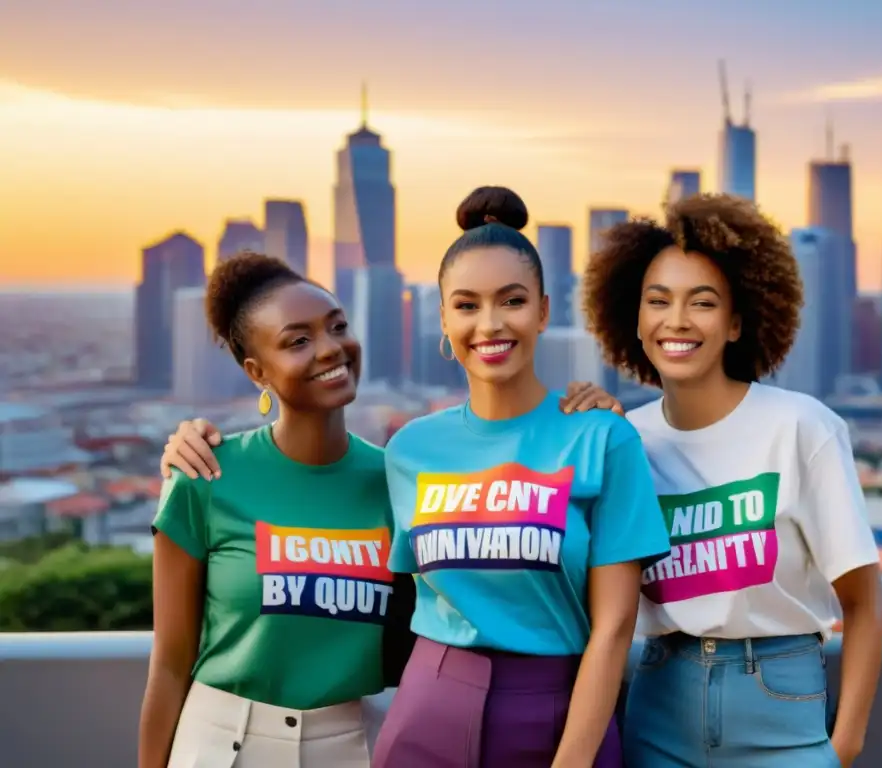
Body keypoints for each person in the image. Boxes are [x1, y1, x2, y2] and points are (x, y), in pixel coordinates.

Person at [159, 186, 670, 768]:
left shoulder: (602, 437)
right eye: (467, 305)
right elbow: (331, 523)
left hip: (556, 704)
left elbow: (616, 625)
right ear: (444, 320)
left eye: (513, 301)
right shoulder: (409, 451)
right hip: (428, 705)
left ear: (545, 311)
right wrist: (185, 448)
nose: (491, 323)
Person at [580, 193, 882, 768]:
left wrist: (843, 747)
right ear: (634, 319)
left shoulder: (800, 427)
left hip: (781, 703)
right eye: (658, 301)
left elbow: (865, 604)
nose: (677, 321)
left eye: (702, 302)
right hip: (659, 702)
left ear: (737, 321)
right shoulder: (626, 441)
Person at [138, 252, 415, 768]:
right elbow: (170, 664)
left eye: (337, 327)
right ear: (257, 371)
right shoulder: (206, 478)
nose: (331, 349)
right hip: (221, 745)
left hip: (355, 744)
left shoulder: (397, 482)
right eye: (299, 340)